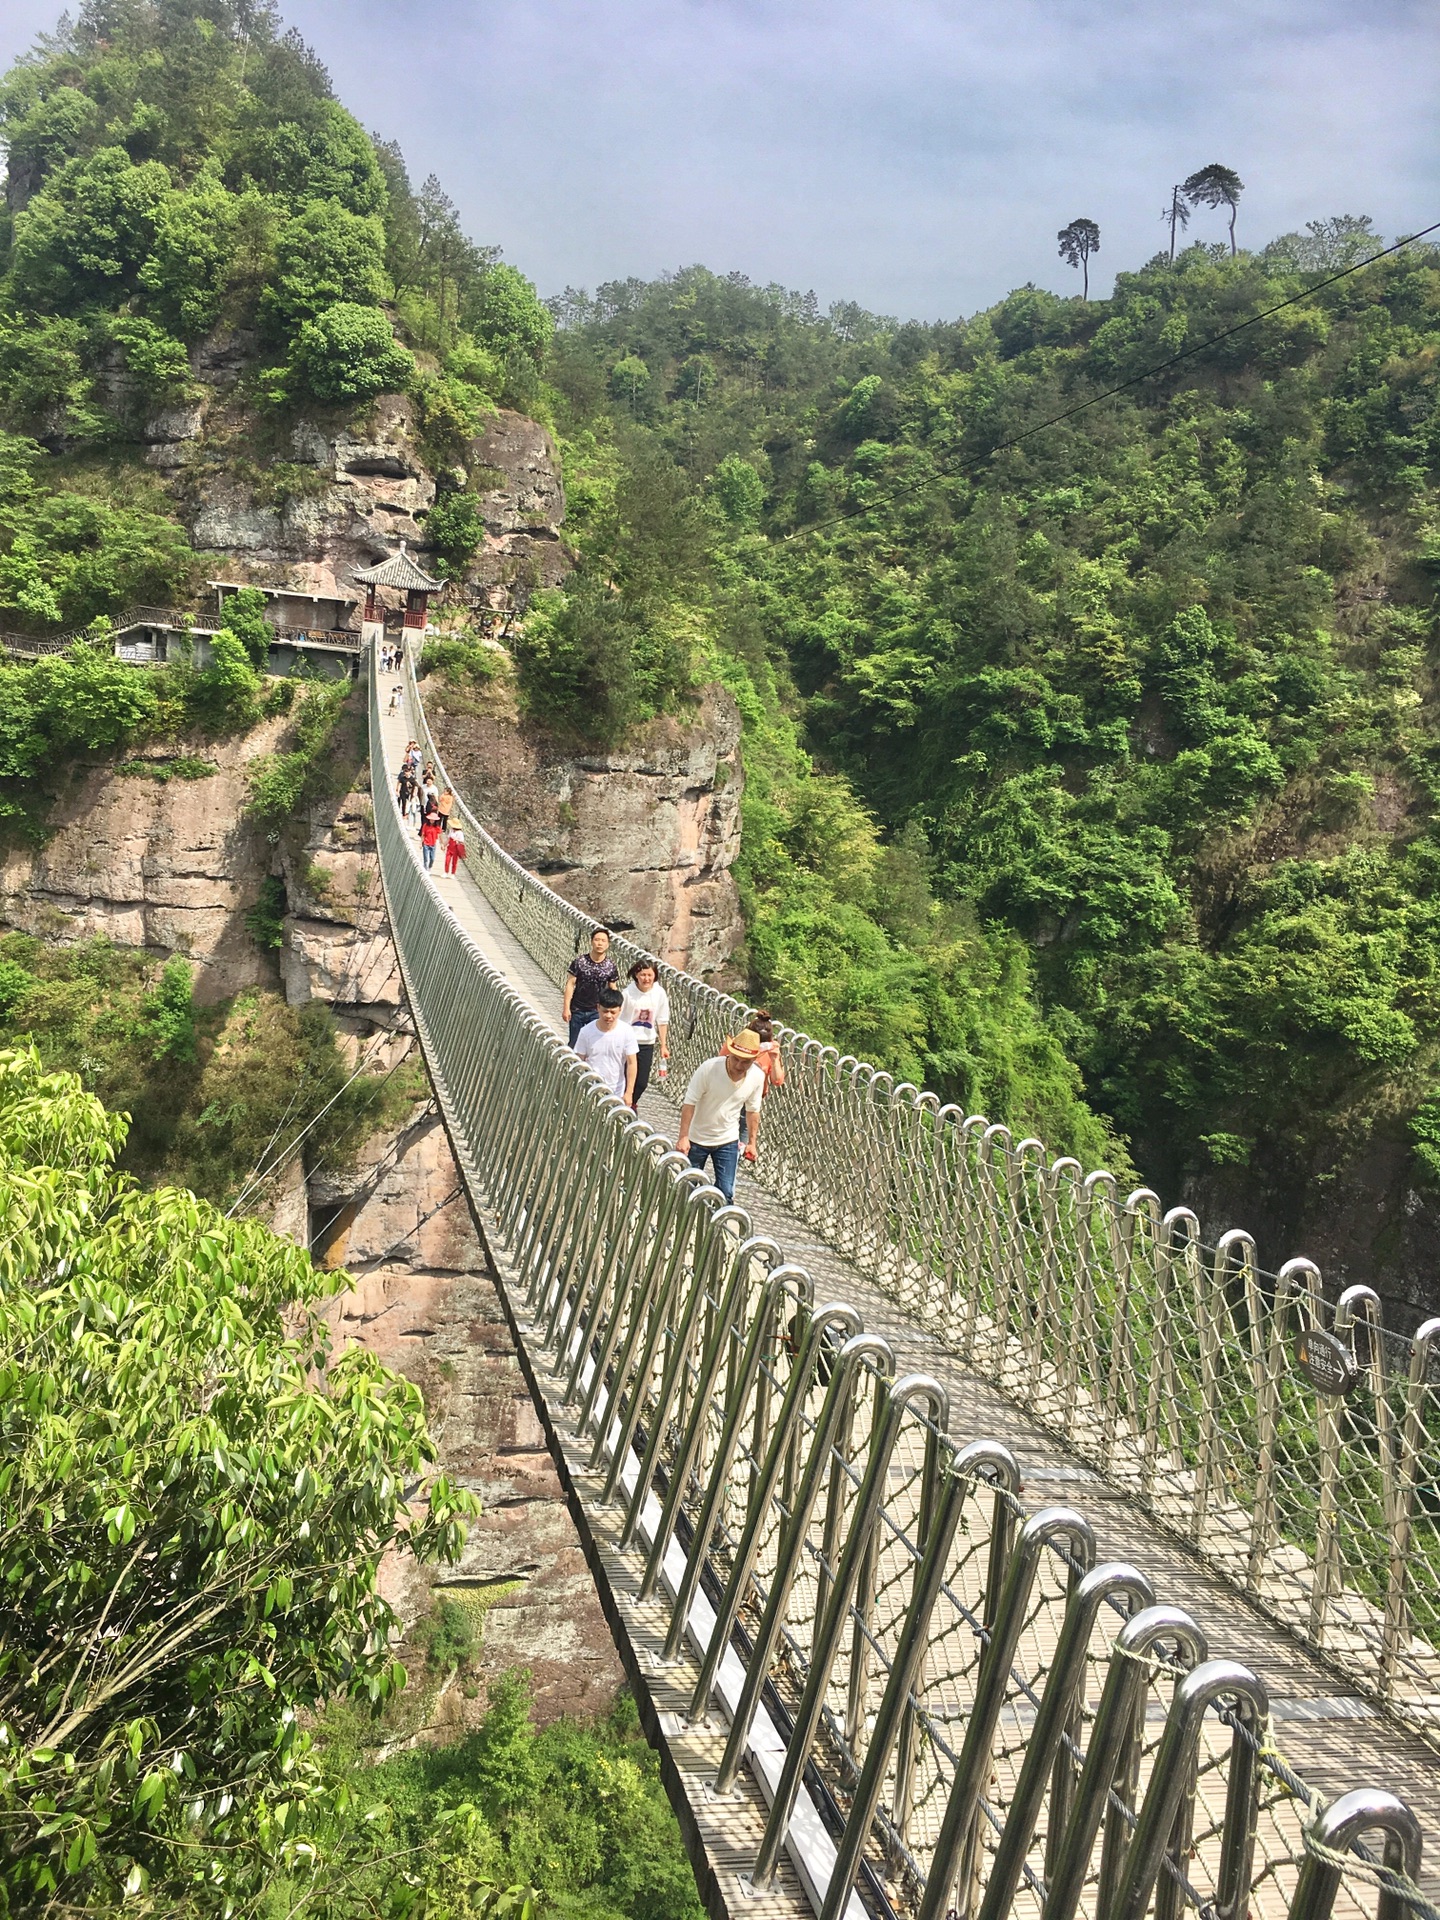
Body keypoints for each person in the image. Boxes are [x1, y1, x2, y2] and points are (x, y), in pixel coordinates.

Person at [676, 1029, 764, 1205]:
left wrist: (752, 1143)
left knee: (726, 1192)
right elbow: (689, 1103)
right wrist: (683, 1137)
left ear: (754, 1060)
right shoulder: (709, 1068)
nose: (738, 1065)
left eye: (745, 1062)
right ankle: (684, 1224)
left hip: (727, 1138)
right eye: (735, 1059)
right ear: (729, 1053)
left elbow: (753, 1111)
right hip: (697, 1136)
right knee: (688, 1187)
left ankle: (714, 1228)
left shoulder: (757, 1076)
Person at [574, 988, 639, 1104]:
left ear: (620, 1010)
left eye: (613, 1012)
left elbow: (632, 1063)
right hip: (590, 1088)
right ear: (598, 1008)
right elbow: (579, 1060)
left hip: (616, 1090)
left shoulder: (627, 1032)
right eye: (605, 1011)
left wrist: (629, 1093)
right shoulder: (586, 1032)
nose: (608, 1016)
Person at [621, 958, 670, 1109]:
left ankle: (631, 1103)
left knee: (641, 1082)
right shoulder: (628, 993)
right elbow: (619, 1016)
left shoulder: (659, 993)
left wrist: (663, 1045)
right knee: (624, 1077)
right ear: (636, 975)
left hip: (646, 1042)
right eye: (643, 975)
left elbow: (662, 1019)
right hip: (628, 1041)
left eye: (650, 975)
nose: (646, 979)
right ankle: (622, 1104)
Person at [563, 926, 619, 1046]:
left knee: (594, 1043)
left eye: (603, 941)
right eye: (597, 940)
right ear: (591, 942)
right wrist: (566, 1008)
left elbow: (613, 988)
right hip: (577, 1009)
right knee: (574, 1043)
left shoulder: (610, 966)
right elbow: (570, 984)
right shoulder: (580, 962)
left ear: (608, 944)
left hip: (597, 1010)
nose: (600, 943)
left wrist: (615, 1010)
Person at [420, 804, 442, 871]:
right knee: (426, 858)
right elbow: (423, 834)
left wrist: (442, 844)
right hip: (426, 843)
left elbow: (440, 835)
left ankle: (429, 867)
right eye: (431, 819)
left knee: (432, 858)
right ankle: (425, 868)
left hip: (433, 844)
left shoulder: (437, 827)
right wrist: (421, 843)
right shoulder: (425, 825)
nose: (432, 821)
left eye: (433, 820)